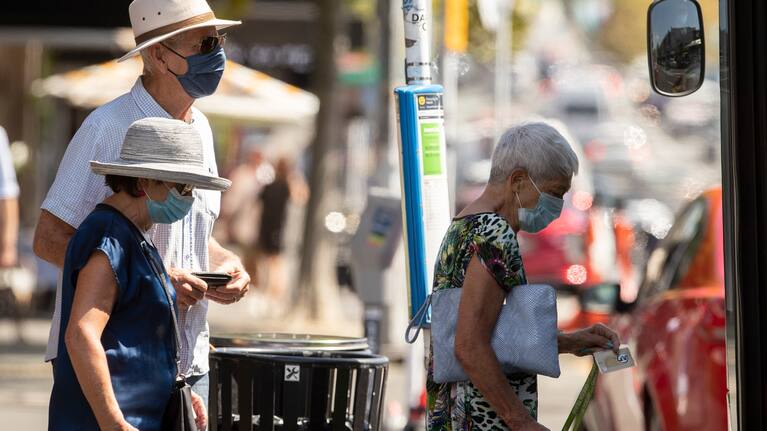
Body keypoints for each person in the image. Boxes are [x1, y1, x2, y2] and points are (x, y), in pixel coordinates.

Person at [33, 0, 249, 406]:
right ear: (158, 54)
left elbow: (190, 231)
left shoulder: (200, 127)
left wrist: (224, 263)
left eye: (218, 40)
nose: (217, 54)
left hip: (189, 361)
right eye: (203, 44)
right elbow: (48, 239)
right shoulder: (106, 127)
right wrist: (150, 279)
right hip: (116, 358)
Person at [426, 122, 621, 431]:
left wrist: (571, 342)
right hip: (481, 420)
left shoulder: (464, 224)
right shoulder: (495, 234)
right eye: (554, 193)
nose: (556, 206)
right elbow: (470, 346)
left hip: (453, 412)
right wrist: (520, 421)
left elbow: (494, 335)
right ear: (518, 180)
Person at [48, 117, 231, 430]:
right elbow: (81, 335)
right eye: (182, 186)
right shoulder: (109, 237)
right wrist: (114, 423)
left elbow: (139, 333)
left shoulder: (133, 235)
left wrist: (174, 390)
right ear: (146, 183)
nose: (188, 197)